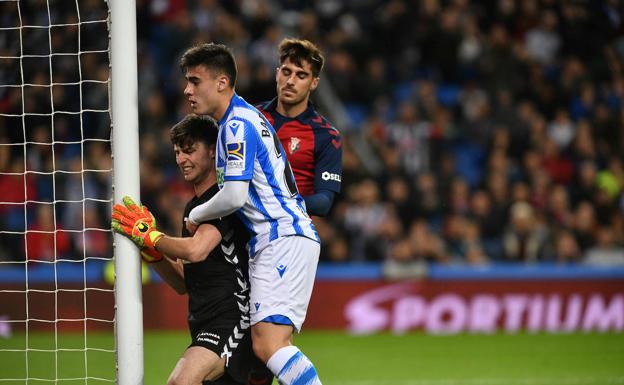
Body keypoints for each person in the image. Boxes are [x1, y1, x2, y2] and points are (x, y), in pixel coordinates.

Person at [180, 42, 323, 385]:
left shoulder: (236, 125)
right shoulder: (245, 117)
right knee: (266, 346)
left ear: (221, 82)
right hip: (279, 238)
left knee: (270, 344)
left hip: (280, 236)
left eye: (195, 81)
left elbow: (233, 196)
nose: (188, 90)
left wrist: (197, 214)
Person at [111, 114, 253, 385]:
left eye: (189, 150)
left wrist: (150, 235)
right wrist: (153, 254)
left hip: (233, 320)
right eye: (177, 152)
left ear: (213, 151)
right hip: (203, 323)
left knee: (181, 381)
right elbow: (183, 282)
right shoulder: (192, 208)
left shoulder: (224, 199)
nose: (181, 160)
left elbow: (196, 250)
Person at [256, 38, 342, 217]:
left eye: (301, 75)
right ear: (277, 74)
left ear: (314, 83)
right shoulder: (250, 117)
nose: (290, 81)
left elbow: (324, 202)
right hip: (243, 228)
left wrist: (278, 203)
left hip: (289, 233)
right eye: (286, 72)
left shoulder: (326, 135)